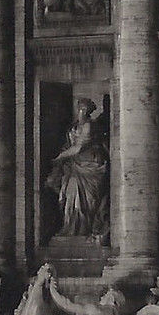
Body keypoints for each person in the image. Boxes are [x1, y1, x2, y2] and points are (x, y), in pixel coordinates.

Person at [45, 98, 109, 237]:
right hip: (74, 166)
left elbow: (79, 148)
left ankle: (81, 229)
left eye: (83, 109)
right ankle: (70, 227)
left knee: (85, 199)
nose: (80, 111)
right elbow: (70, 145)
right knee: (69, 194)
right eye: (80, 108)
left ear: (86, 110)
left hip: (90, 166)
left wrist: (60, 156)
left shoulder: (88, 126)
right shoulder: (75, 126)